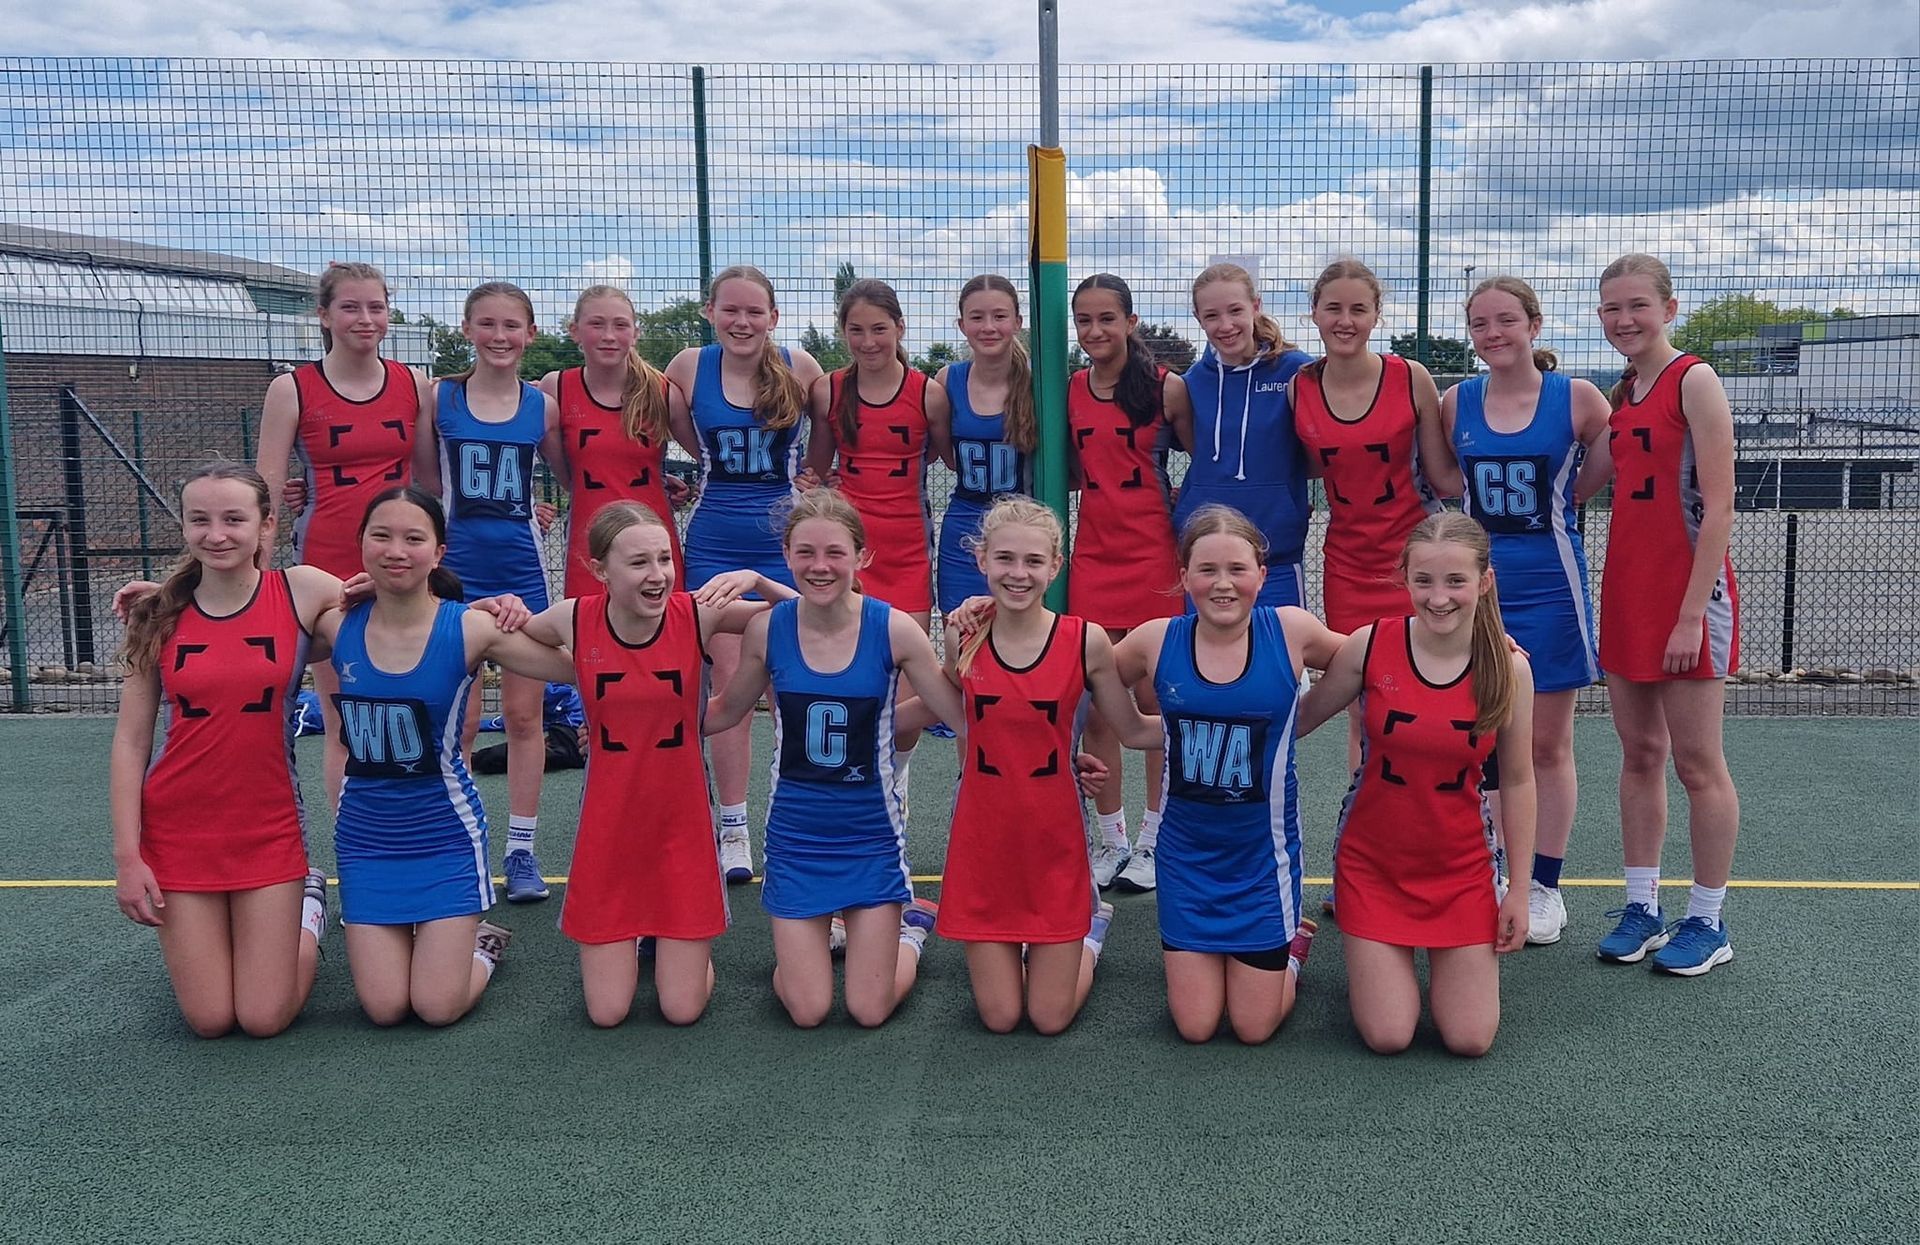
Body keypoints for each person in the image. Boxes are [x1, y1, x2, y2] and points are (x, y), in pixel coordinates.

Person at [474, 502, 796, 1026]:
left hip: (682, 824)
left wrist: (757, 577)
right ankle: (646, 938)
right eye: (639, 562)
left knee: (681, 1009)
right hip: (611, 827)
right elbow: (492, 631)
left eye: (664, 559)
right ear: (601, 570)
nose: (657, 575)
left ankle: (678, 947)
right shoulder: (573, 619)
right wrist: (495, 602)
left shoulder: (698, 612)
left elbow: (806, 613)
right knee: (607, 1012)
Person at [701, 488, 966, 1029]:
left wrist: (962, 651)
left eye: (835, 553)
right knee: (808, 1009)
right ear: (787, 552)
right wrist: (630, 717)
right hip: (796, 841)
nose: (820, 566)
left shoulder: (893, 629)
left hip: (871, 839)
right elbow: (724, 712)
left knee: (869, 1011)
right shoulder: (766, 629)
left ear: (861, 556)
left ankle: (909, 934)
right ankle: (812, 958)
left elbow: (959, 715)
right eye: (805, 553)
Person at [311, 485, 573, 1026]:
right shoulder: (334, 623)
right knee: (384, 1009)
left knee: (435, 1007)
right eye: (381, 536)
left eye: (413, 538)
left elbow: (578, 665)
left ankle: (482, 946)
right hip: (365, 841)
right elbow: (238, 612)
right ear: (360, 543)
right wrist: (166, 595)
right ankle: (315, 906)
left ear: (438, 551)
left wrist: (524, 616)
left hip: (444, 837)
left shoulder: (470, 628)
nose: (396, 551)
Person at [109, 462, 340, 1038]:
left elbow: (401, 604)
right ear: (184, 527)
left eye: (234, 519)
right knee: (210, 1020)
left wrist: (487, 608)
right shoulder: (156, 614)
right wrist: (128, 857)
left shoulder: (303, 589)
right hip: (180, 828)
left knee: (263, 1018)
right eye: (200, 520)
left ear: (266, 526)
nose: (217, 534)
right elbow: (131, 742)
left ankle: (308, 912)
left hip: (268, 822)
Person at [1299, 512, 1537, 1056]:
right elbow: (1297, 721)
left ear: (1484, 582)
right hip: (1373, 865)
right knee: (1389, 1035)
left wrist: (1518, 890)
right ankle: (1294, 959)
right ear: (1403, 578)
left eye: (1456, 581)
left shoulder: (1509, 670)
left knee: (1470, 1039)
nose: (1438, 598)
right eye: (1423, 580)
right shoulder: (1369, 646)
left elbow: (1520, 782)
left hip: (1460, 870)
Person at [1423, 275, 1613, 947]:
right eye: (1480, 323)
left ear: (1534, 323)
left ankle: (1542, 885)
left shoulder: (1580, 398)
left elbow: (1593, 477)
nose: (1493, 332)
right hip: (1480, 593)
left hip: (1551, 587)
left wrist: (1563, 505)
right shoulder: (1456, 402)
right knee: (1483, 743)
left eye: (1506, 319)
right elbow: (1448, 483)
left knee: (1547, 743)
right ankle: (1493, 870)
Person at [1112, 505, 1344, 1044]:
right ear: (1183, 576)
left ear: (1262, 574)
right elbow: (1077, 672)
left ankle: (1292, 950)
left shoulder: (1291, 631)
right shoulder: (1154, 639)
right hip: (1187, 861)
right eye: (1207, 570)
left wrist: (1486, 644)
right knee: (1194, 1026)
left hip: (1262, 864)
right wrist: (1130, 732)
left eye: (1238, 569)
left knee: (1252, 1027)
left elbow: (1378, 659)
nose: (1223, 584)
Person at [935, 497, 1160, 1034]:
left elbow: (1131, 731)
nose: (1019, 574)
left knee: (1048, 1017)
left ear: (1056, 566)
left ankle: (1091, 931)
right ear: (983, 559)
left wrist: (1229, 719)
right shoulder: (962, 633)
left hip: (1053, 839)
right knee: (1000, 1017)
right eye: (1005, 559)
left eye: (1034, 561)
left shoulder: (1086, 640)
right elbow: (955, 714)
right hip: (983, 840)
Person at [1583, 253, 1742, 977]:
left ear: (1670, 308)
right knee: (1639, 754)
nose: (1625, 319)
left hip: (1687, 599)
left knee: (1696, 762)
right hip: (1627, 593)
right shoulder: (1624, 391)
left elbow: (1719, 507)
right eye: (1612, 308)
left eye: (1638, 305)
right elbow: (1587, 483)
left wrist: (1687, 616)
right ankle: (1642, 906)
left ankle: (1707, 919)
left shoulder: (1694, 379)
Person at [665, 265, 827, 884]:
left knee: (794, 680)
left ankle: (797, 812)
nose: (742, 322)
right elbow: (686, 439)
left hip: (782, 545)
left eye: (754, 311)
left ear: (773, 317)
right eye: (730, 310)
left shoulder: (800, 366)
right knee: (728, 677)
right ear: (710, 312)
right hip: (713, 541)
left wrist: (813, 476)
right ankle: (732, 824)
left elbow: (826, 439)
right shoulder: (687, 366)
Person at [255, 261, 431, 805]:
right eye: (350, 307)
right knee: (344, 716)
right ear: (324, 315)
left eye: (376, 307)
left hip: (401, 569)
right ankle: (347, 848)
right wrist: (256, 583)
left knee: (413, 708)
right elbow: (263, 495)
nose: (365, 319)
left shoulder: (414, 383)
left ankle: (406, 839)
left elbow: (429, 485)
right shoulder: (292, 389)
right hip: (326, 568)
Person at [412, 281, 565, 904]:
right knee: (461, 719)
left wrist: (541, 507)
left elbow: (564, 478)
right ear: (468, 329)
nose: (500, 336)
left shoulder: (543, 406)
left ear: (530, 333)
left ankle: (521, 850)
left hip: (523, 576)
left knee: (527, 717)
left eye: (512, 326)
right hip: (455, 578)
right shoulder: (439, 397)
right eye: (487, 324)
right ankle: (458, 840)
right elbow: (426, 485)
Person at [1290, 258, 1443, 780]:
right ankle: (1369, 809)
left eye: (1359, 308)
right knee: (1364, 704)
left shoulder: (1409, 377)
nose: (1345, 320)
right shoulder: (1300, 387)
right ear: (1313, 313)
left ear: (1377, 314)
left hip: (1414, 563)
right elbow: (1304, 467)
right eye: (1333, 308)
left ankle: (1432, 808)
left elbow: (1444, 476)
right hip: (1348, 566)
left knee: (1433, 692)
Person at [1067, 273, 1195, 893]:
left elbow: (1204, 465)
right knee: (1098, 702)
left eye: (1106, 320)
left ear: (1131, 321)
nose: (1095, 332)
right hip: (1092, 553)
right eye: (1084, 321)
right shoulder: (1069, 389)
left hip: (1153, 556)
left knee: (1151, 701)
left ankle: (1153, 839)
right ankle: (1109, 839)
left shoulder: (1168, 390)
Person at [808, 277, 949, 631]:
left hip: (907, 547)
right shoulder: (829, 390)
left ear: (900, 328)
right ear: (843, 332)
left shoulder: (928, 395)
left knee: (907, 665)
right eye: (856, 330)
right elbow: (815, 470)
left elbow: (942, 457)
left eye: (879, 329)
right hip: (848, 545)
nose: (868, 342)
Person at [1177, 261, 1314, 609]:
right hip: (1206, 557)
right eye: (1211, 316)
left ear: (1256, 305)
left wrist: (1285, 496)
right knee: (1206, 658)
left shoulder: (1295, 371)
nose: (1225, 326)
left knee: (1279, 656)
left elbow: (1321, 452)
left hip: (1276, 555)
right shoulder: (1192, 382)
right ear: (1198, 318)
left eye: (1235, 310)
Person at [538, 284, 690, 599]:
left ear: (635, 333)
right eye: (597, 324)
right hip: (590, 544)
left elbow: (710, 457)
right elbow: (563, 474)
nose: (609, 335)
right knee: (591, 636)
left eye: (620, 325)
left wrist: (684, 487)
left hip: (654, 544)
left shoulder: (662, 393)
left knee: (662, 636)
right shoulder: (556, 388)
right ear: (575, 331)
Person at [934, 275, 1036, 619]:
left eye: (1000, 316)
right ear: (962, 324)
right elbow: (945, 457)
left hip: (1023, 533)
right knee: (961, 634)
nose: (988, 327)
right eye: (977, 317)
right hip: (965, 529)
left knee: (1020, 638)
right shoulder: (948, 380)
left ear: (1018, 323)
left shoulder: (1042, 385)